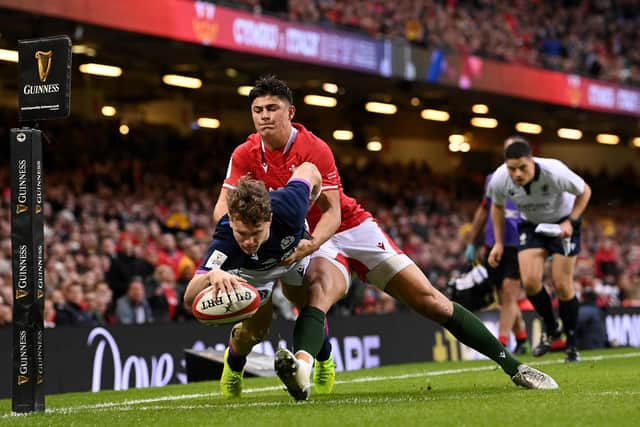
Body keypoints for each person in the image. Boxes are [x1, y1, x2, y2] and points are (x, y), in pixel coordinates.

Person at [214, 75, 558, 400]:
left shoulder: (314, 149)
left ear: (290, 112)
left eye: (271, 108)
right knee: (312, 297)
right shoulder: (245, 154)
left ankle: (515, 367)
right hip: (293, 239)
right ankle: (300, 369)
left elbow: (332, 212)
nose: (264, 117)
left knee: (431, 301)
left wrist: (314, 243)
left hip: (344, 227)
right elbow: (222, 210)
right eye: (257, 110)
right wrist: (242, 240)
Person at [184, 162, 322, 398]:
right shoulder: (226, 239)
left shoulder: (290, 206)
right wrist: (211, 274)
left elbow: (310, 169)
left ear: (269, 218)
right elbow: (189, 298)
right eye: (242, 234)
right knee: (255, 332)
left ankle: (324, 360)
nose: (248, 241)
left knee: (314, 299)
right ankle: (234, 366)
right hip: (254, 273)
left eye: (255, 232)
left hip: (293, 256)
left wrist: (311, 204)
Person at [487, 137, 592, 362]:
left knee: (563, 284)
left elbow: (585, 191)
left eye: (522, 168)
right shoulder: (500, 178)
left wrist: (571, 222)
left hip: (564, 223)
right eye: (512, 169)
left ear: (532, 161)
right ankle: (552, 328)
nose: (517, 174)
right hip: (533, 226)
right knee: (531, 282)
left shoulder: (554, 171)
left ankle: (571, 344)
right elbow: (496, 207)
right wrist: (498, 242)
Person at [464, 141, 529, 355]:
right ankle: (521, 339)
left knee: (509, 297)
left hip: (518, 244)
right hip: (494, 245)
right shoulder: (494, 179)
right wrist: (473, 241)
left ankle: (500, 345)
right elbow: (484, 209)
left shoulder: (530, 180)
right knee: (503, 298)